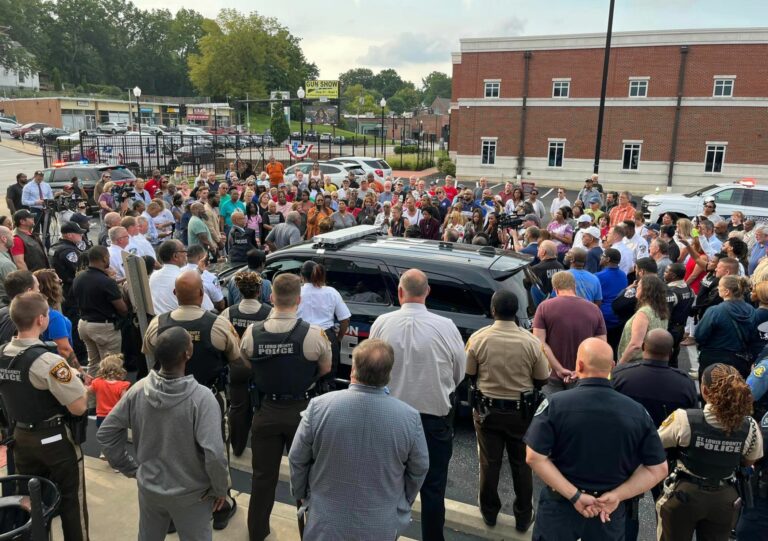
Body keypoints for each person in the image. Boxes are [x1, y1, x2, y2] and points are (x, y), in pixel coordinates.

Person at [524, 337, 668, 540]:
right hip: (607, 512)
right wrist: (618, 495)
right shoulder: (637, 412)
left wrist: (575, 496)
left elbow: (534, 457)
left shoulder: (555, 405)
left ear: (579, 364)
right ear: (612, 366)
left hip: (560, 509)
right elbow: (658, 469)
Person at [97, 327, 229, 541]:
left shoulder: (138, 390)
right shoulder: (202, 399)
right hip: (192, 495)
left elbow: (106, 433)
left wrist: (132, 469)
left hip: (150, 488)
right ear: (188, 354)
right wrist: (220, 488)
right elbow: (214, 453)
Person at [288, 339, 429, 539]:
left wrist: (300, 494)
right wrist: (402, 502)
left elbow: (297, 459)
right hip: (380, 524)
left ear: (353, 369)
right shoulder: (410, 418)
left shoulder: (318, 407)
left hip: (325, 523)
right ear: (388, 375)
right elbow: (420, 467)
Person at [369, 269, 466, 541]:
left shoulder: (382, 323)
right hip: (433, 421)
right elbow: (460, 372)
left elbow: (371, 368)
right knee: (433, 490)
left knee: (387, 486)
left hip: (389, 418)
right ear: (428, 292)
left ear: (400, 292)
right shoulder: (446, 325)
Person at [238, 273, 332, 540]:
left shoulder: (252, 334)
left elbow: (247, 364)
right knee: (306, 481)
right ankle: (308, 533)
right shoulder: (314, 335)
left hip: (266, 410)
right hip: (303, 415)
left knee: (262, 478)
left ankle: (257, 531)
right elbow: (324, 369)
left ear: (271, 297)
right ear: (299, 300)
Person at [0, 292, 89, 541]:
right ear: (41, 320)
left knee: (32, 502)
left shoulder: (2, 353)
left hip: (20, 438)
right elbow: (79, 406)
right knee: (71, 502)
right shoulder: (48, 361)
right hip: (55, 440)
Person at [465, 290, 550, 531]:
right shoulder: (531, 341)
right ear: (516, 311)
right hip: (521, 413)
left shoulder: (479, 338)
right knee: (522, 464)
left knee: (489, 462)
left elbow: (469, 373)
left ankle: (489, 512)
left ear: (493, 310)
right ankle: (523, 516)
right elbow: (542, 377)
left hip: (487, 411)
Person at [657, 363, 763, 540]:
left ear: (704, 391)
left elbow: (656, 444)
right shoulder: (749, 425)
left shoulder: (684, 418)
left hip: (685, 494)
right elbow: (750, 460)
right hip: (725, 497)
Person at [533, 271, 607, 395]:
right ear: (574, 287)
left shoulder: (544, 307)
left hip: (552, 377)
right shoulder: (594, 309)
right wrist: (578, 371)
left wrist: (559, 369)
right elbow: (601, 345)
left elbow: (539, 343)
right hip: (582, 377)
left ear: (555, 289)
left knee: (552, 411)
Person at [612, 329, 697, 427]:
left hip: (629, 437)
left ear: (643, 347)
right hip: (667, 440)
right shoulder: (685, 384)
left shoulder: (620, 376)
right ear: (671, 352)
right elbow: (692, 418)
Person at [72, 246, 129, 378]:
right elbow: (122, 308)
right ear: (104, 258)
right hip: (104, 327)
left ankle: (91, 397)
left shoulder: (79, 278)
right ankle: (111, 398)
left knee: (93, 364)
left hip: (84, 324)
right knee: (111, 367)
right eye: (108, 257)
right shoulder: (107, 281)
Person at [297, 262, 350, 386]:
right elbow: (345, 320)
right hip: (326, 337)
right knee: (328, 379)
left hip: (302, 337)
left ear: (301, 276)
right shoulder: (331, 292)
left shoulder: (297, 292)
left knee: (304, 378)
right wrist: (338, 338)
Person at [694, 274, 755, 379]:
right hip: (741, 361)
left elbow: (699, 335)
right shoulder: (751, 310)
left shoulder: (715, 311)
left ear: (727, 292)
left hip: (714, 361)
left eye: (719, 286)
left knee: (711, 392)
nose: (717, 288)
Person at [149, 240, 214, 314]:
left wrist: (199, 271)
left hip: (159, 322)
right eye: (184, 251)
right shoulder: (183, 280)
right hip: (181, 323)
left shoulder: (153, 276)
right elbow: (208, 307)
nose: (186, 255)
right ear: (175, 256)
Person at [618, 274, 671, 364]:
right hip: (653, 360)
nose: (636, 288)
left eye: (639, 286)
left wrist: (620, 364)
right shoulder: (661, 310)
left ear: (646, 290)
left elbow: (635, 345)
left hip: (635, 363)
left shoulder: (643, 313)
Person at [596, 248, 629, 355]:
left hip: (604, 318)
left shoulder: (598, 276)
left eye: (603, 256)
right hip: (620, 317)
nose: (600, 257)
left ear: (608, 259)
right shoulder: (623, 275)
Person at [664, 263, 695, 367]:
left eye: (666, 271)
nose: (664, 274)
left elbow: (665, 316)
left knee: (664, 360)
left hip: (670, 330)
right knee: (674, 358)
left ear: (673, 276)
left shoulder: (670, 292)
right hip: (680, 328)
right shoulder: (689, 289)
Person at [184, 244, 225, 312]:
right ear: (201, 257)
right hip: (205, 316)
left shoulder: (179, 273)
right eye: (206, 256)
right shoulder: (211, 278)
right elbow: (220, 304)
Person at [0, 226, 18, 305]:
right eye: (11, 235)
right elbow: (17, 290)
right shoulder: (5, 264)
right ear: (4, 238)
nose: (13, 238)